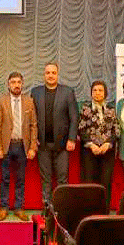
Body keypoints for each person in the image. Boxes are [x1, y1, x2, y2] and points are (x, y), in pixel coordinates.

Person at [30, 63, 78, 207]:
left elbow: (74, 117)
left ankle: (62, 208)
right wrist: (33, 139)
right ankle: (47, 208)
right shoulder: (35, 92)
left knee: (62, 179)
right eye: (48, 73)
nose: (50, 75)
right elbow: (31, 118)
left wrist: (72, 138)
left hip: (62, 144)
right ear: (44, 75)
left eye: (53, 73)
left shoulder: (68, 92)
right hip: (43, 144)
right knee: (46, 179)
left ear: (57, 74)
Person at [0, 72, 37, 221]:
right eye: (13, 82)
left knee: (20, 179)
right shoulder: (2, 101)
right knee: (5, 178)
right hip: (6, 145)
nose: (16, 85)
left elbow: (33, 126)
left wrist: (32, 147)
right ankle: (4, 208)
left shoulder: (29, 101)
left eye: (19, 82)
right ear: (8, 84)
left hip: (22, 146)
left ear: (22, 84)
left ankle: (19, 208)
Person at [78, 80, 120, 208]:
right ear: (91, 93)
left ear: (105, 93)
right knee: (89, 183)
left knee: (105, 183)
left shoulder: (111, 109)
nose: (97, 93)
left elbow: (116, 130)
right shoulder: (85, 108)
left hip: (107, 152)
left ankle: (104, 212)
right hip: (89, 152)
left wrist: (108, 144)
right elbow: (81, 129)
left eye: (100, 90)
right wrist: (91, 145)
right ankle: (89, 211)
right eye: (95, 90)